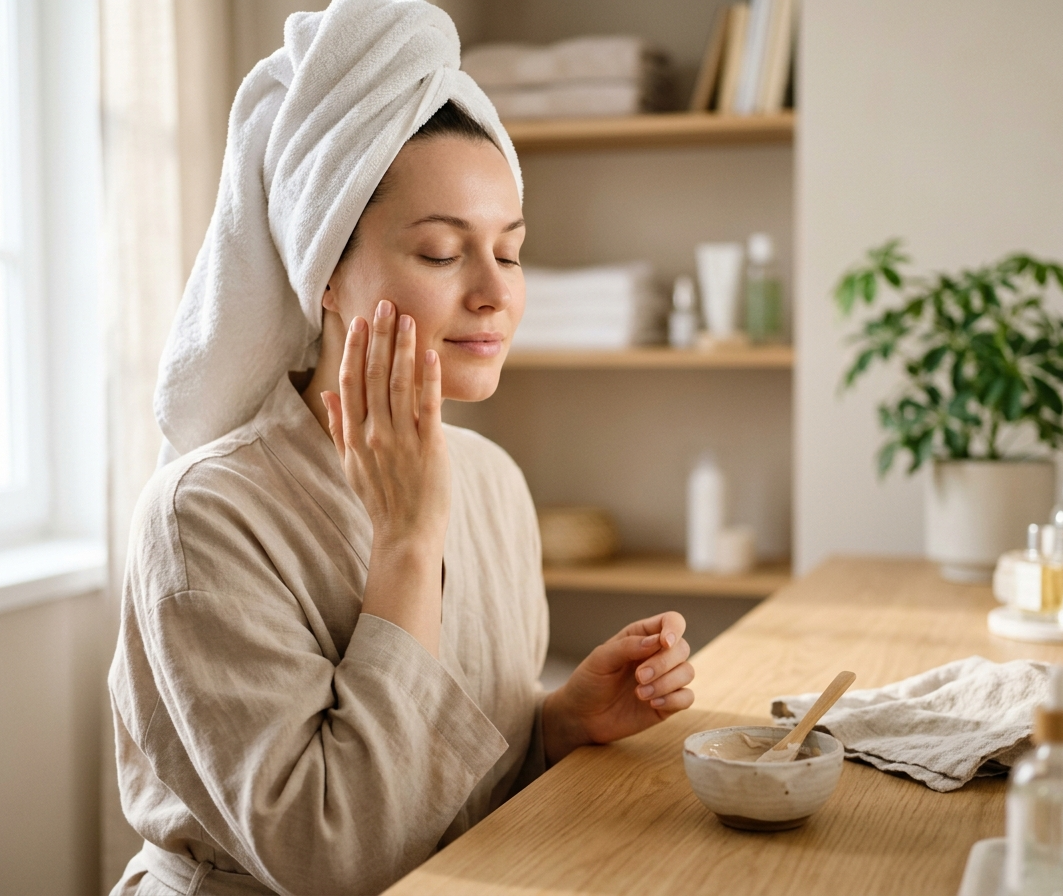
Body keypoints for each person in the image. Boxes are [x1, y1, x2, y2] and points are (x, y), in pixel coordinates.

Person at [108, 3, 695, 894]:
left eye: (512, 251)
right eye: (440, 251)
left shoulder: (493, 482)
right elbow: (335, 855)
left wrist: (553, 726)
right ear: (327, 271)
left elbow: (434, 779)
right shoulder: (203, 519)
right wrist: (408, 543)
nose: (496, 294)